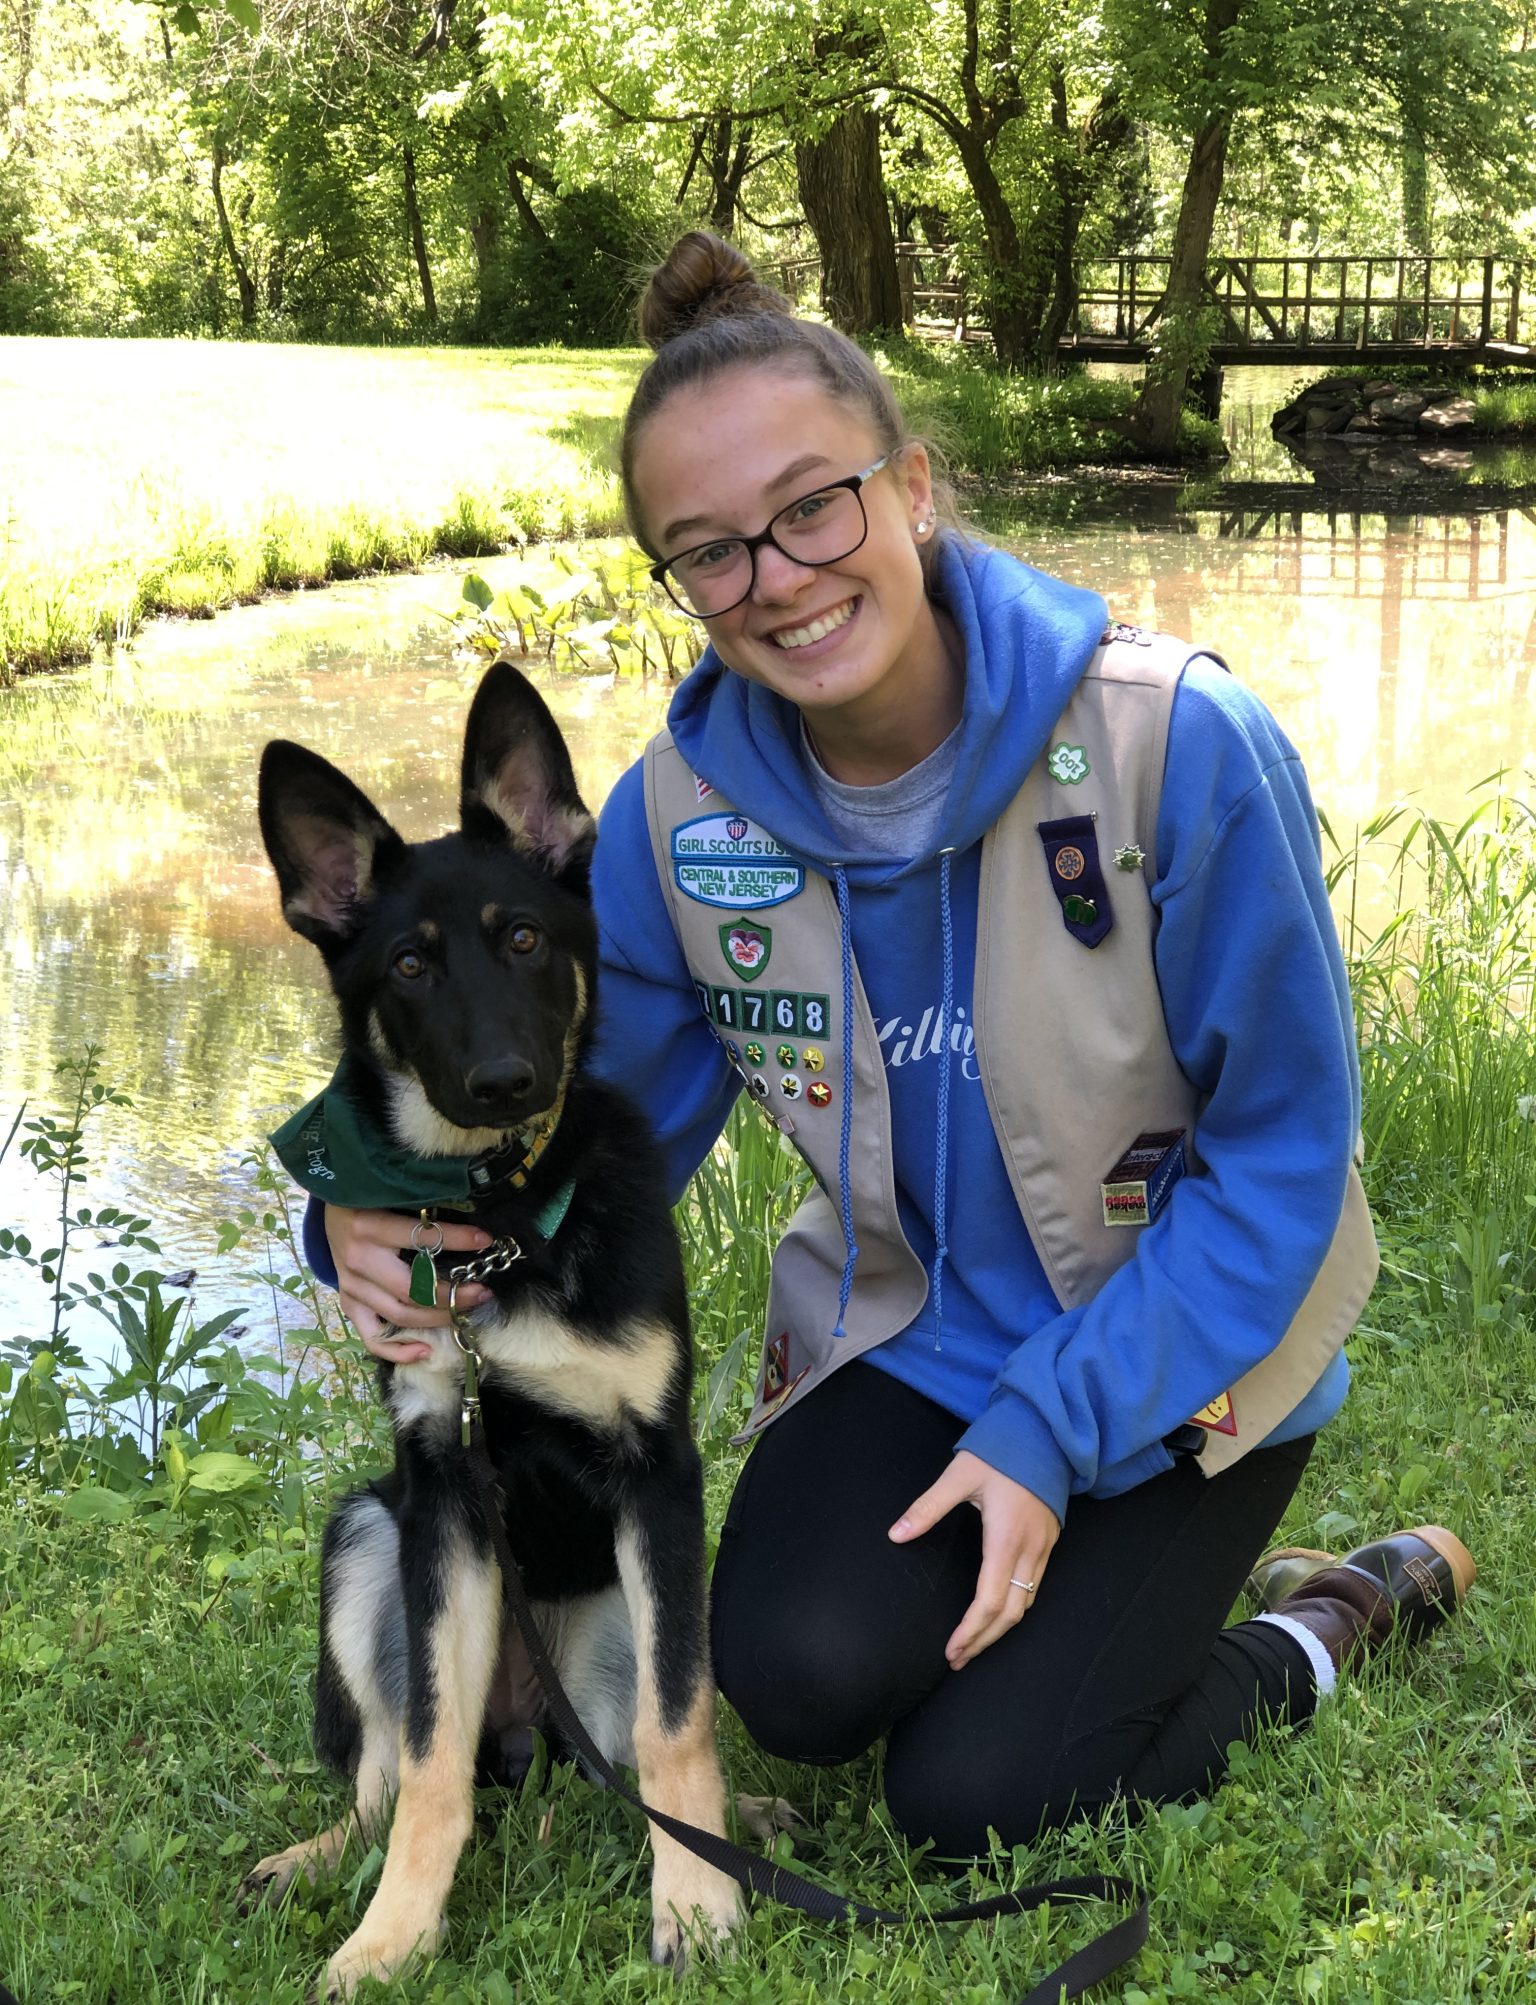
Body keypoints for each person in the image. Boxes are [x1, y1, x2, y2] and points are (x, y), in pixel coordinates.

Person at [308, 231, 1475, 1859]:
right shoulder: (672, 821)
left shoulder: (1176, 745)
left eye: (813, 506)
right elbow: (578, 1117)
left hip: (1190, 1357)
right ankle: (1057, 1591)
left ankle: (1326, 1617)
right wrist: (363, 1203)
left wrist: (1052, 1431)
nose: (776, 579)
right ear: (677, 581)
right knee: (794, 1674)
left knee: (979, 1796)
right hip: (915, 1347)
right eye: (708, 552)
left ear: (912, 486)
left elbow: (1284, 1164)